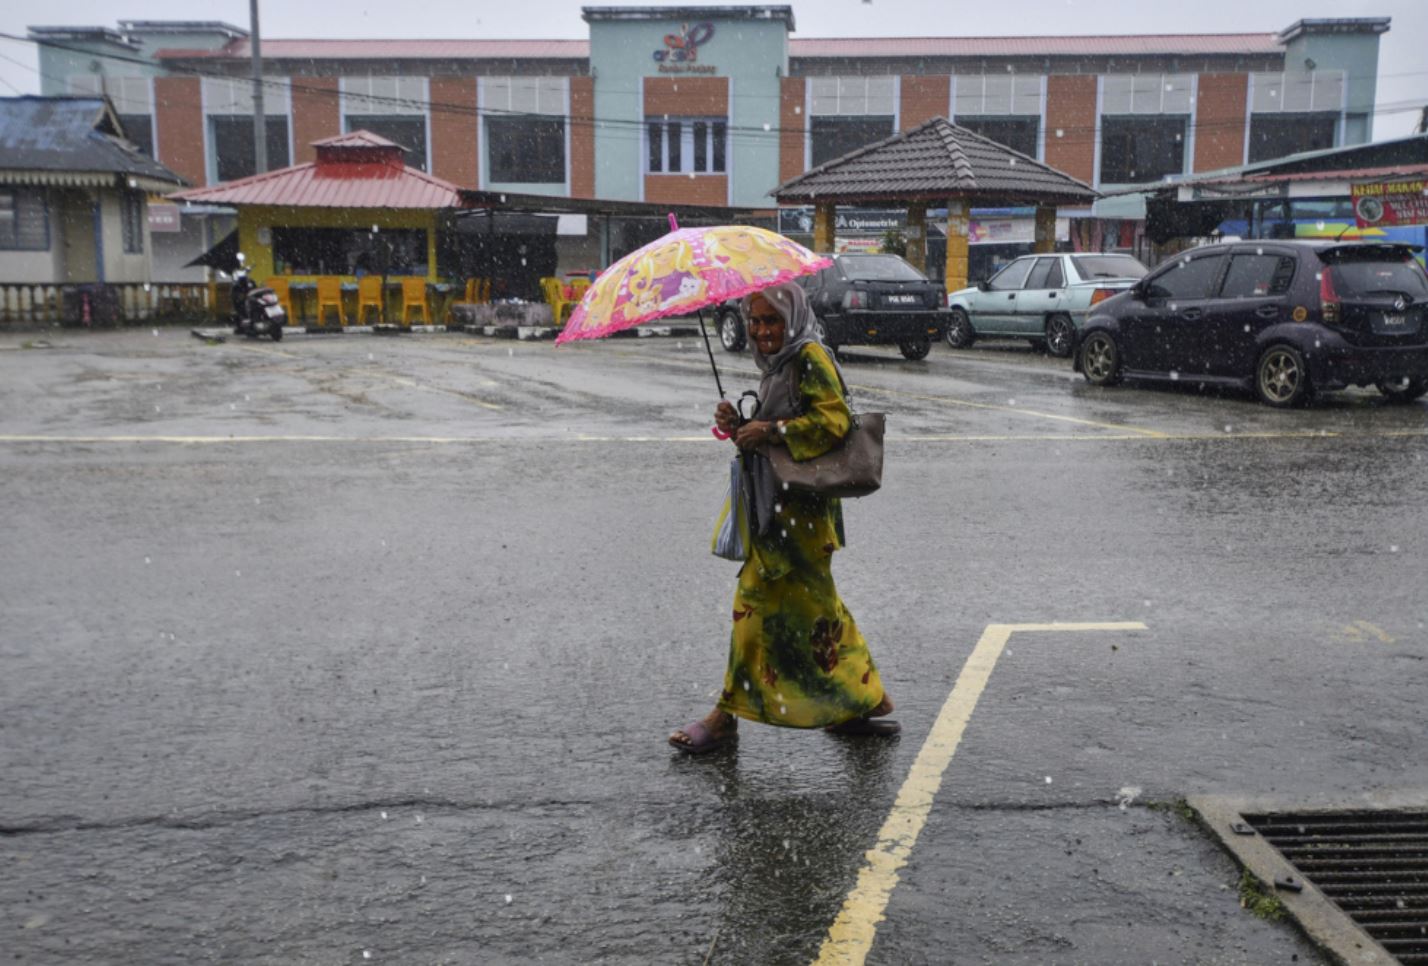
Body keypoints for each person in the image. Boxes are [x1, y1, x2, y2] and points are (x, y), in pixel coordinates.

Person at [669, 282, 897, 754]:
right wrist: (738, 425)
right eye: (754, 321)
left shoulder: (808, 356)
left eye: (771, 319)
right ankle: (860, 700)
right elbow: (772, 438)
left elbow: (833, 422)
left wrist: (770, 429)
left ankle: (724, 719)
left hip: (801, 519)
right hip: (778, 514)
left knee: (753, 608)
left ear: (791, 318)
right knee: (817, 611)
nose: (762, 330)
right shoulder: (778, 366)